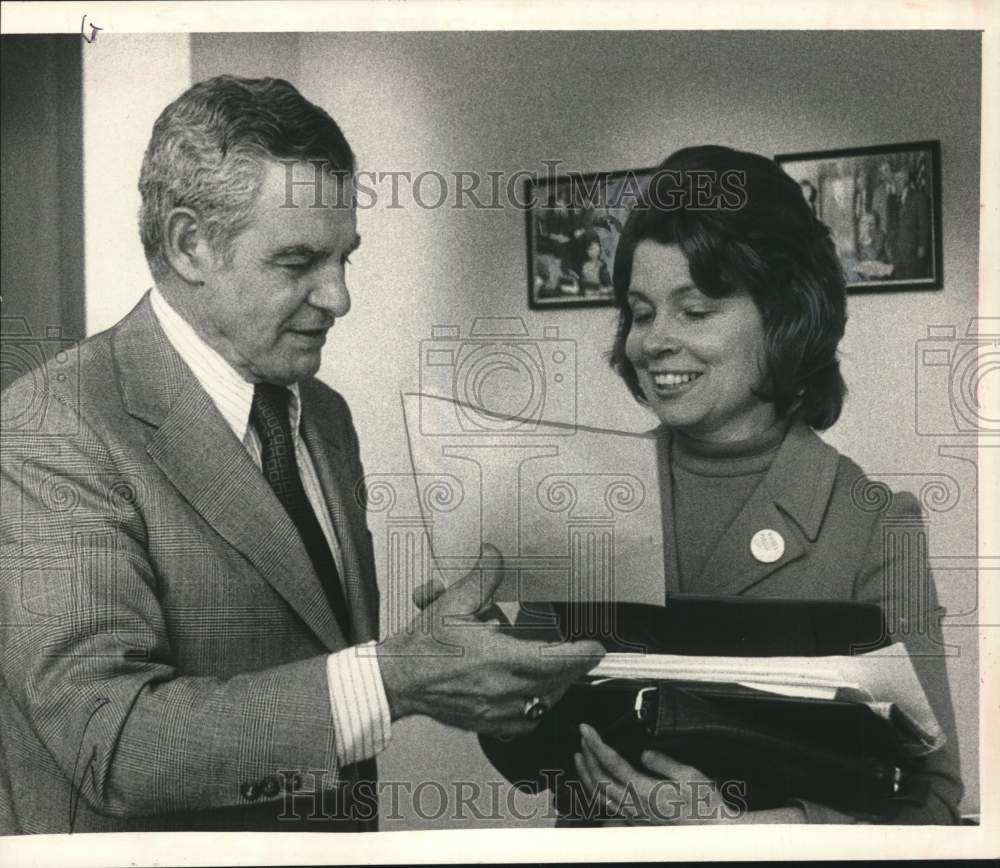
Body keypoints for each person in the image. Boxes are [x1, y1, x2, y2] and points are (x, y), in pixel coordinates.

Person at [0, 75, 603, 835]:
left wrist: (443, 665)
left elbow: (317, 655)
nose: (339, 297)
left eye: (344, 257)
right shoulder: (54, 425)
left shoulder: (322, 413)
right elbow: (113, 745)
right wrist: (394, 678)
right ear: (190, 245)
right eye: (297, 263)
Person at [571, 145, 962, 824]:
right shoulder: (583, 492)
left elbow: (928, 799)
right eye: (640, 312)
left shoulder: (872, 523)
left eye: (694, 311)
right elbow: (528, 753)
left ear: (783, 318)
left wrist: (740, 835)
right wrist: (486, 667)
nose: (654, 341)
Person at [887, 166, 931, 280]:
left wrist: (922, 246)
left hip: (913, 249)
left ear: (905, 180)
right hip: (896, 251)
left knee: (913, 279)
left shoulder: (918, 197)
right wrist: (890, 246)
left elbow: (924, 224)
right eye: (894, 180)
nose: (896, 183)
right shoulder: (892, 199)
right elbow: (890, 224)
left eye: (898, 180)